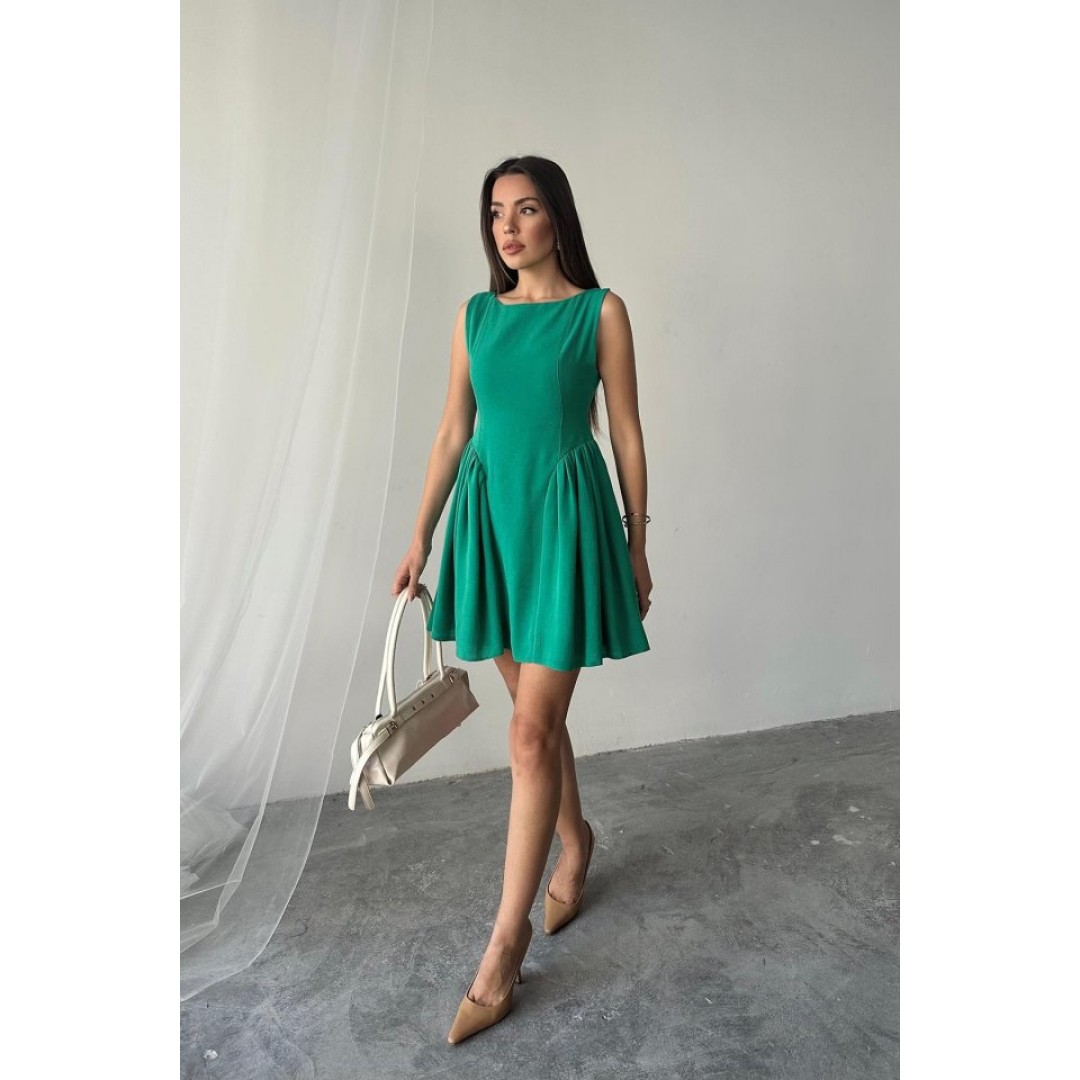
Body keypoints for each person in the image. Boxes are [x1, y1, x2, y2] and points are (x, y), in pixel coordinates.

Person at [390, 155, 653, 1044]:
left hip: (565, 526)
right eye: (497, 212)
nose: (507, 226)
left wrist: (636, 541)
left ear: (557, 219)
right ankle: (576, 840)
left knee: (531, 732)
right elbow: (452, 430)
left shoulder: (600, 312)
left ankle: (504, 948)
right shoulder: (475, 316)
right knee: (534, 721)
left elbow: (625, 431)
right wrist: (421, 535)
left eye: (527, 209)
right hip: (489, 525)